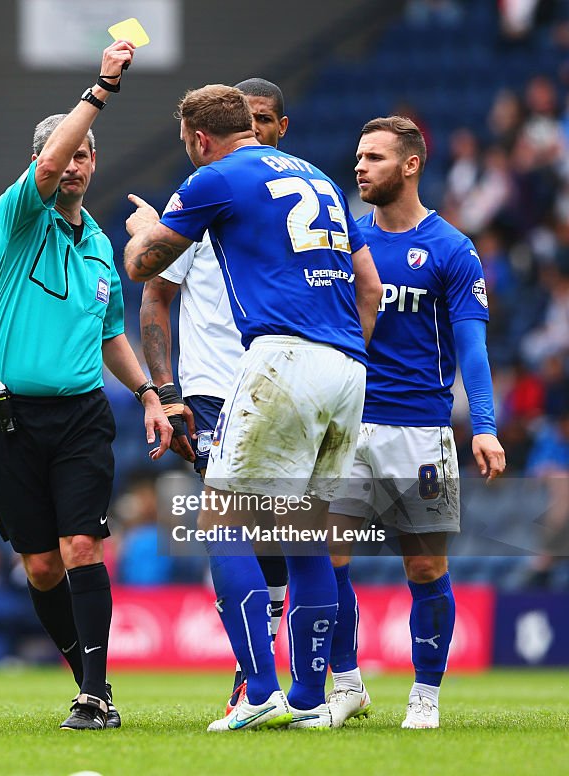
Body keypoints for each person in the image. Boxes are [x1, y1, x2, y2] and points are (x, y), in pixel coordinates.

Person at [124, 84, 382, 731]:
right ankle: (309, 698)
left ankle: (260, 686)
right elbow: (370, 286)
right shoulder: (319, 177)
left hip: (282, 359)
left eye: (189, 145)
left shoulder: (218, 176)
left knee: (220, 518)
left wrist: (140, 232)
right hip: (348, 366)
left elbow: (142, 267)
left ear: (199, 139)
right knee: (303, 533)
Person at [0, 40, 172, 731]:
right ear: (45, 164)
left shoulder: (96, 247)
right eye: (69, 154)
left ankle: (94, 691)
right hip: (7, 419)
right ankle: (89, 680)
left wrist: (147, 393)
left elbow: (111, 333)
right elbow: (52, 158)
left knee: (82, 547)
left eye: (89, 155)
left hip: (82, 416)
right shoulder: (18, 218)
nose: (78, 164)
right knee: (40, 567)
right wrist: (100, 90)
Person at [326, 116, 506, 730]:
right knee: (327, 557)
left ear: (410, 165)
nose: (360, 167)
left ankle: (425, 694)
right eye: (358, 156)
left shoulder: (453, 250)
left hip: (420, 431)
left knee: (425, 567)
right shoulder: (346, 241)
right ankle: (347, 682)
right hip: (347, 424)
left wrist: (483, 425)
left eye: (374, 157)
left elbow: (473, 349)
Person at [140, 77, 290, 714]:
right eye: (247, 120)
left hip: (280, 385)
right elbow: (156, 296)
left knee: (275, 535)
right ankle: (259, 679)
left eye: (265, 120)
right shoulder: (201, 199)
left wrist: (142, 230)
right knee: (243, 526)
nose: (255, 131)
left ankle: (280, 683)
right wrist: (168, 393)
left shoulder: (273, 190)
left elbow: (140, 265)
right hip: (216, 394)